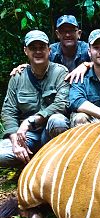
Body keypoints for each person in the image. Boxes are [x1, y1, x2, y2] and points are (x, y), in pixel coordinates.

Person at [0, 30, 70, 167]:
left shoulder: (60, 72)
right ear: (26, 51)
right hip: (26, 136)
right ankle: (30, 160)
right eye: (33, 48)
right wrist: (15, 141)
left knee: (58, 121)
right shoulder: (17, 77)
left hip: (50, 134)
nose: (38, 51)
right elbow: (8, 111)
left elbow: (62, 104)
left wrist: (30, 121)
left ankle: (51, 164)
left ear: (49, 50)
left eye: (42, 47)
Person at [10, 15, 89, 76]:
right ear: (57, 34)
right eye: (63, 31)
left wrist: (87, 65)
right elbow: (37, 65)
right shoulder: (50, 50)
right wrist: (25, 68)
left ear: (79, 33)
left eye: (71, 31)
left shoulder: (87, 49)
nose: (67, 35)